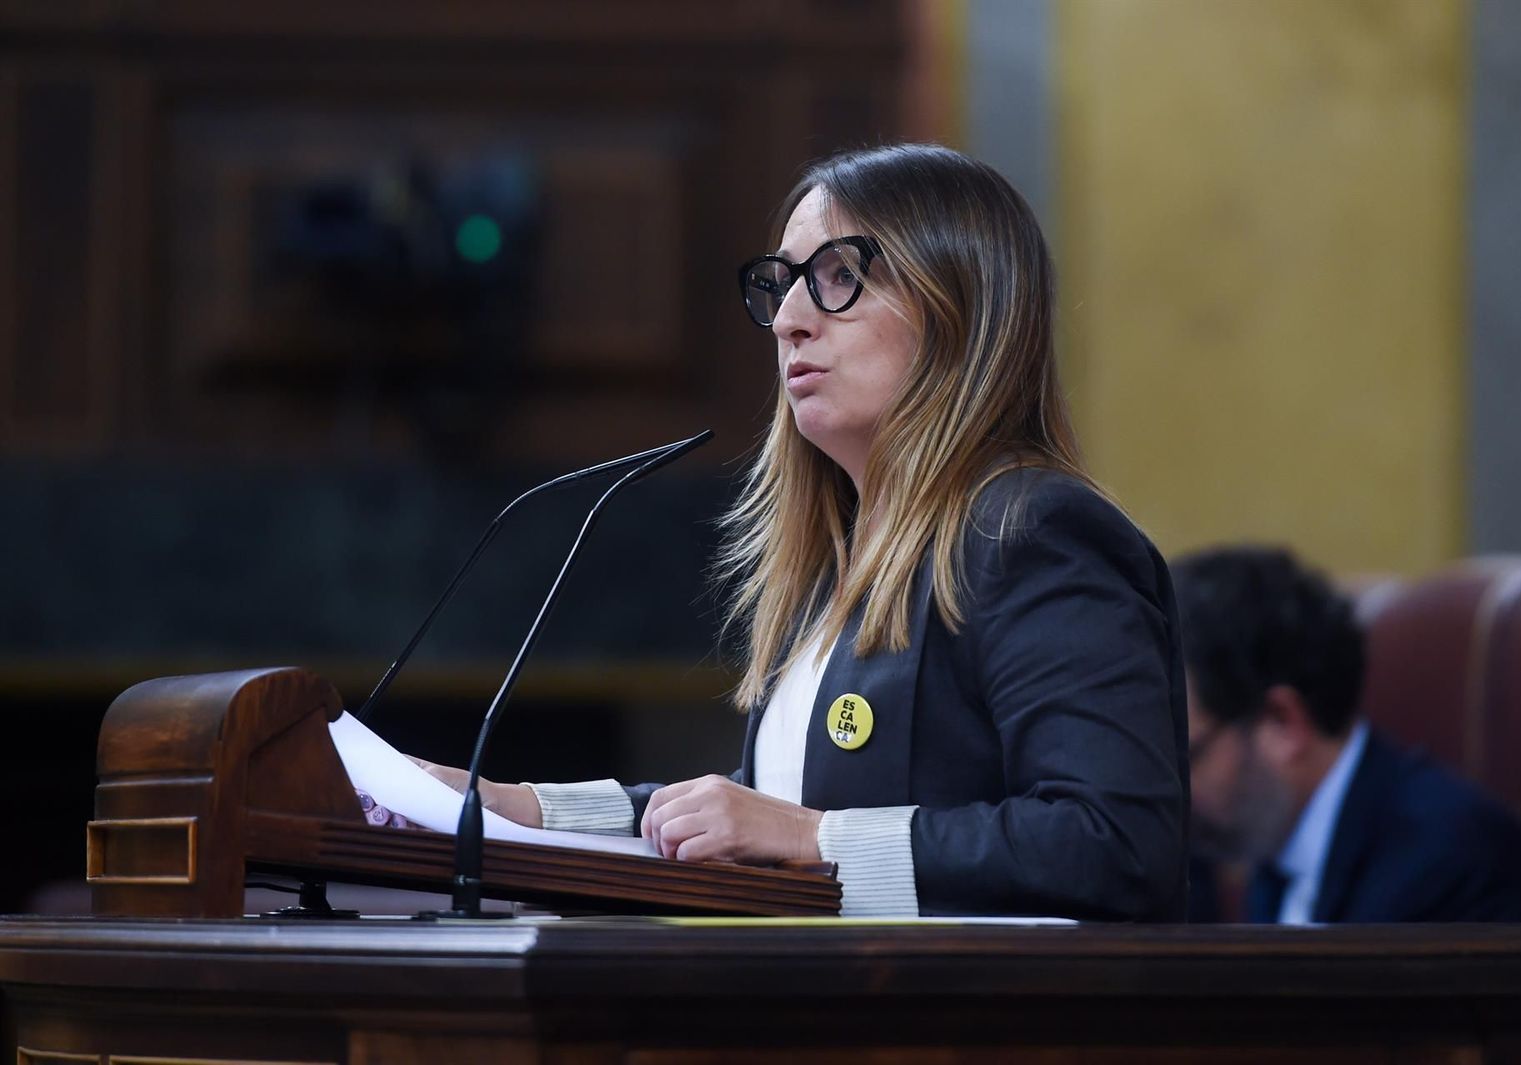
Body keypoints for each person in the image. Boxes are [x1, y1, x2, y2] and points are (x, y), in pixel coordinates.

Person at [413, 143, 1189, 918]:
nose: (787, 320)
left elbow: (1113, 844)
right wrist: (512, 806)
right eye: (782, 284)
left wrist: (815, 837)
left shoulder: (1033, 531)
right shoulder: (835, 557)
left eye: (839, 277)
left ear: (959, 301)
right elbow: (762, 816)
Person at [1175, 545, 1521, 926]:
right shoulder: (1275, 862)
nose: (1174, 794)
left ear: (1283, 722)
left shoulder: (1450, 865)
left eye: (1187, 757)